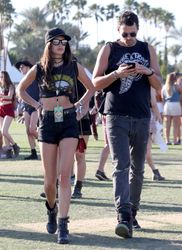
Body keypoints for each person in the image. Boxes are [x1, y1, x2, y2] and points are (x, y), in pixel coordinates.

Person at [17, 27, 94, 244]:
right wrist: (36, 105)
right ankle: (51, 209)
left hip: (69, 121)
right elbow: (21, 89)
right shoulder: (39, 68)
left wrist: (81, 104)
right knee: (50, 182)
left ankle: (63, 224)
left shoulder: (73, 66)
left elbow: (91, 87)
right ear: (48, 45)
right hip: (48, 122)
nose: (61, 45)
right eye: (56, 41)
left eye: (64, 42)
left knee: (64, 175)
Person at [92, 11, 162, 239]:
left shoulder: (147, 49)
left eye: (133, 33)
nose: (130, 37)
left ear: (138, 30)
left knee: (138, 169)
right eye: (125, 34)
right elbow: (95, 82)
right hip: (116, 115)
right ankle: (122, 216)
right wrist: (116, 74)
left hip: (142, 117)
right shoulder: (109, 48)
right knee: (121, 165)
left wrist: (147, 71)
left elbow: (159, 84)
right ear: (118, 30)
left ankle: (132, 212)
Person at [15, 60, 40, 160]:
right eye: (20, 68)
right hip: (26, 107)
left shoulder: (36, 77)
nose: (20, 69)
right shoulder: (22, 81)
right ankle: (33, 153)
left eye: (22, 67)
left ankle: (45, 142)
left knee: (32, 129)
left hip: (36, 106)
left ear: (28, 67)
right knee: (28, 131)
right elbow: (20, 94)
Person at [0, 71, 20, 158]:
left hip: (8, 110)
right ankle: (8, 150)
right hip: (1, 109)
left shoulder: (11, 86)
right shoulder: (2, 87)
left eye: (2, 77)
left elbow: (9, 97)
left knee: (4, 131)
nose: (0, 79)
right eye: (0, 77)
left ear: (6, 77)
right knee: (3, 132)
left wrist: (1, 96)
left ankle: (15, 146)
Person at [161, 72, 182, 145]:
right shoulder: (177, 86)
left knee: (167, 125)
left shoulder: (164, 87)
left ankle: (167, 140)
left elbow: (162, 98)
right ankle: (175, 141)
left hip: (167, 105)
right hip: (176, 105)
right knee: (176, 125)